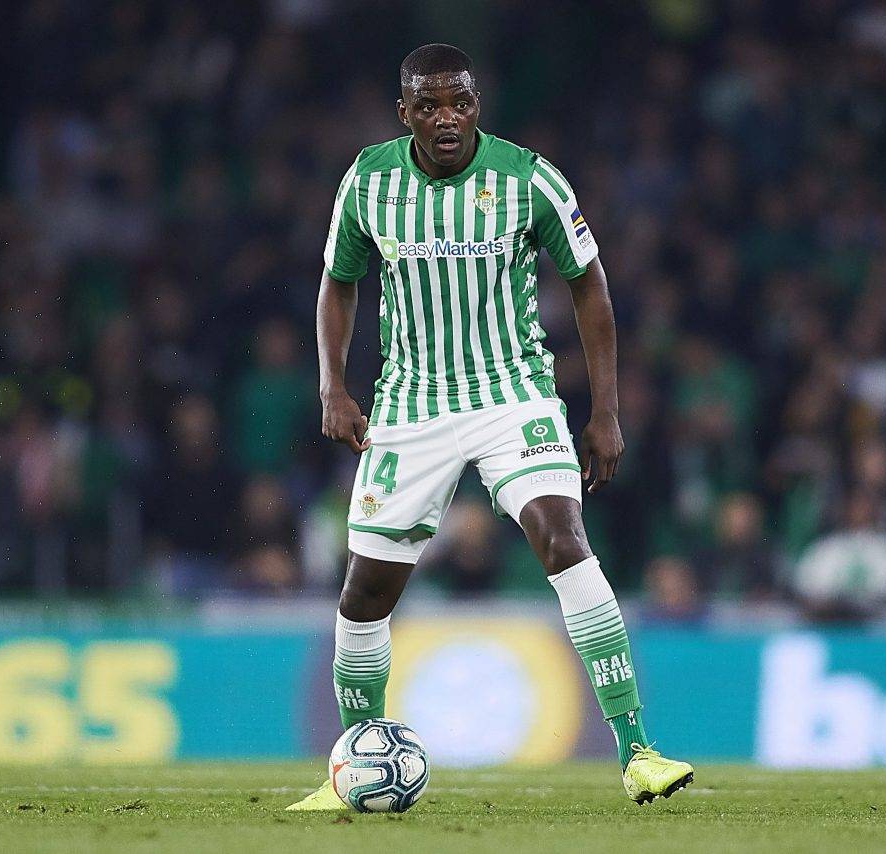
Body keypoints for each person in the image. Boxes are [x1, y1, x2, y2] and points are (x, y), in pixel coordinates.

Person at [289, 44, 692, 809]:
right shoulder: (368, 180)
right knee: (365, 592)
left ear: (478, 105)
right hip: (410, 403)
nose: (448, 118)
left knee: (563, 539)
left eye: (461, 103)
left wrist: (606, 411)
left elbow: (590, 285)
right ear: (404, 112)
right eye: (430, 106)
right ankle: (349, 769)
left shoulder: (529, 179)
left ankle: (638, 750)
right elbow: (338, 282)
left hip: (513, 394)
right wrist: (331, 386)